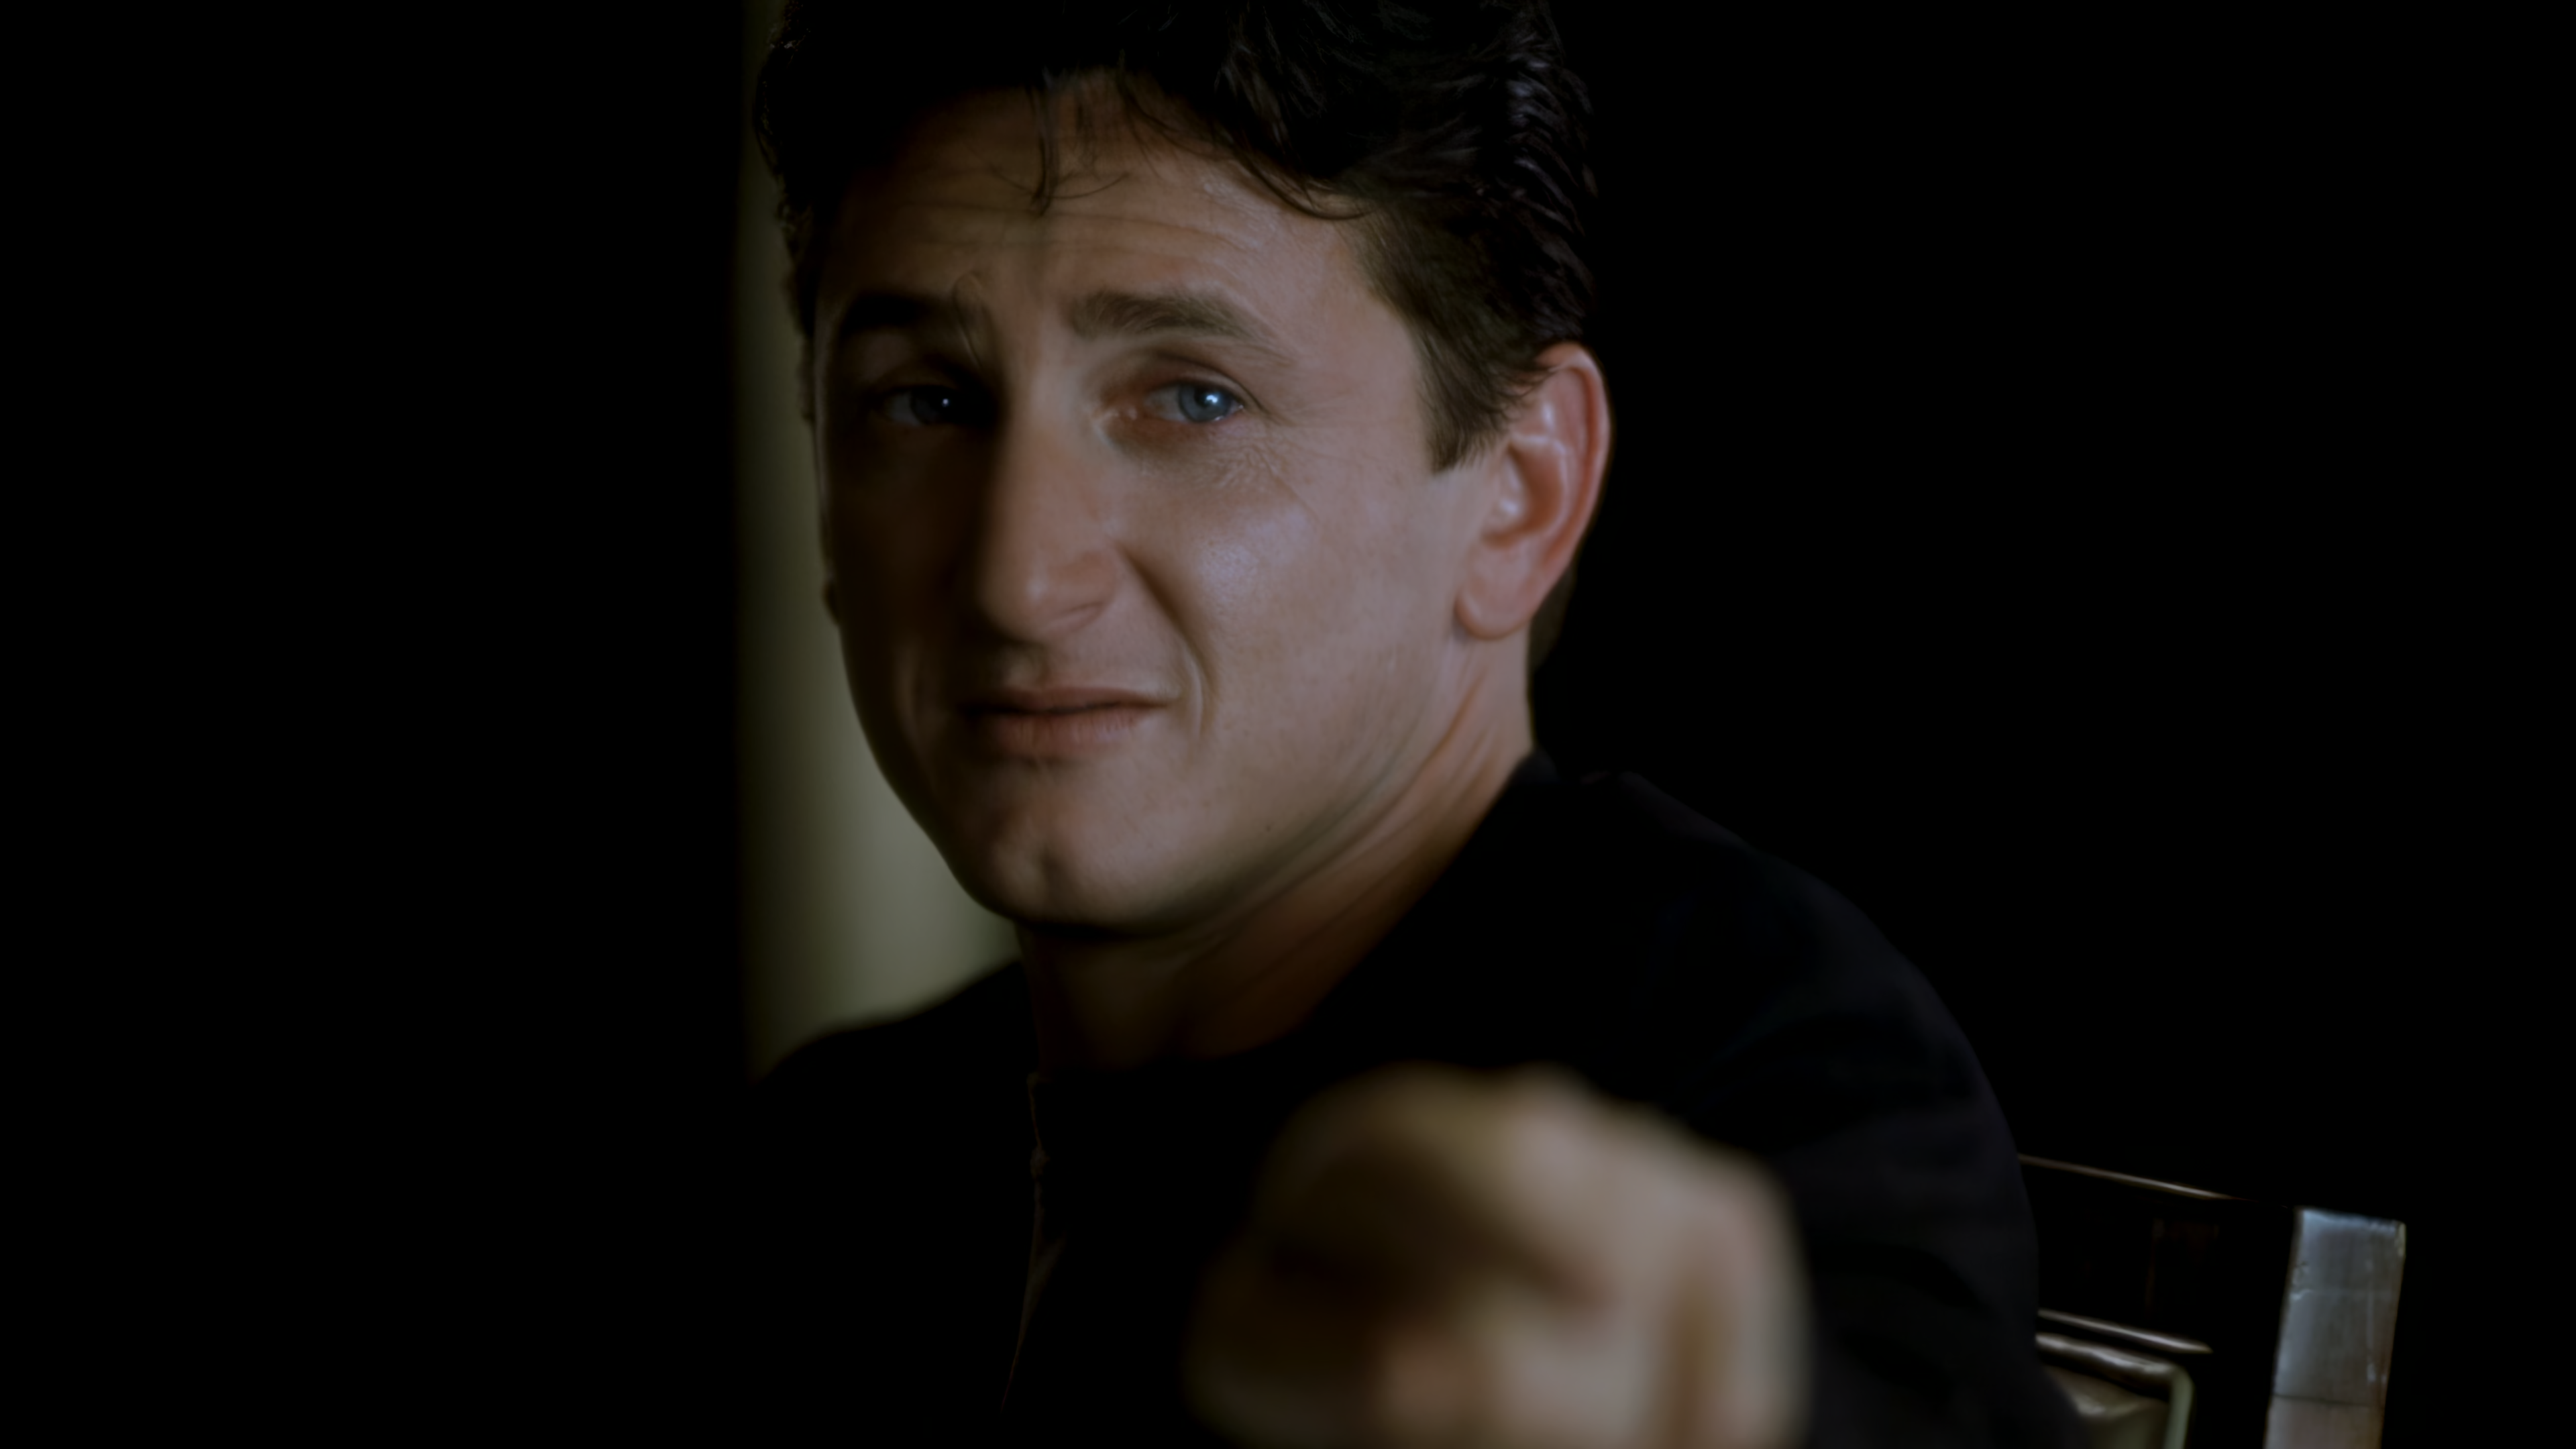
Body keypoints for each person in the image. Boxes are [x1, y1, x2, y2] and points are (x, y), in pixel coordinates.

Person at [724, 3, 2087, 1445]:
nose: (1016, 575)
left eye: (1194, 398)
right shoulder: (832, 1157)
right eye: (925, 402)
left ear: (1521, 495)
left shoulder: (1758, 1064)